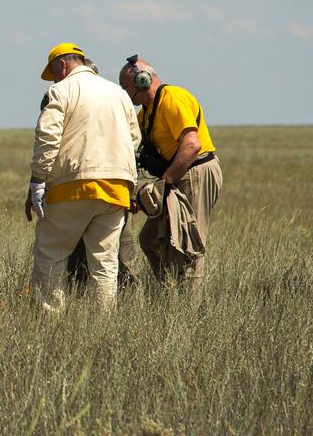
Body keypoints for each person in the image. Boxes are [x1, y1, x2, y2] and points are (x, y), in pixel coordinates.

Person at [26, 43, 140, 312]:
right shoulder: (118, 93)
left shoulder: (60, 90)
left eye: (53, 72)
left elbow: (47, 138)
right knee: (105, 262)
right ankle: (102, 325)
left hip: (72, 187)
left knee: (51, 254)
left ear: (62, 65)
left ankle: (50, 320)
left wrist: (37, 180)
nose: (54, 79)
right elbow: (134, 138)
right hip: (117, 188)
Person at [119, 55, 222, 296]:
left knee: (188, 244)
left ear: (142, 80)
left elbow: (191, 144)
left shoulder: (172, 98)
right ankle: (170, 294)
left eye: (126, 87)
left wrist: (163, 184)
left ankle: (188, 310)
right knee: (150, 238)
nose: (126, 94)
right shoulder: (145, 114)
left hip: (195, 171)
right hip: (176, 176)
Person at [62, 59, 140, 293]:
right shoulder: (117, 98)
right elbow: (134, 141)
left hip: (77, 190)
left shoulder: (65, 95)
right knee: (109, 255)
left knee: (117, 254)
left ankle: (122, 298)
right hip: (114, 189)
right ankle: (108, 305)